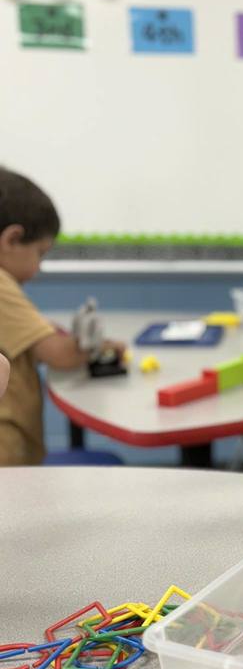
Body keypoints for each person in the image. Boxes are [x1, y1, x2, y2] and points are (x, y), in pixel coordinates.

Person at [0, 167, 124, 466]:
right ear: (12, 239)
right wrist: (100, 346)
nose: (39, 268)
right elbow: (61, 355)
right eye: (40, 253)